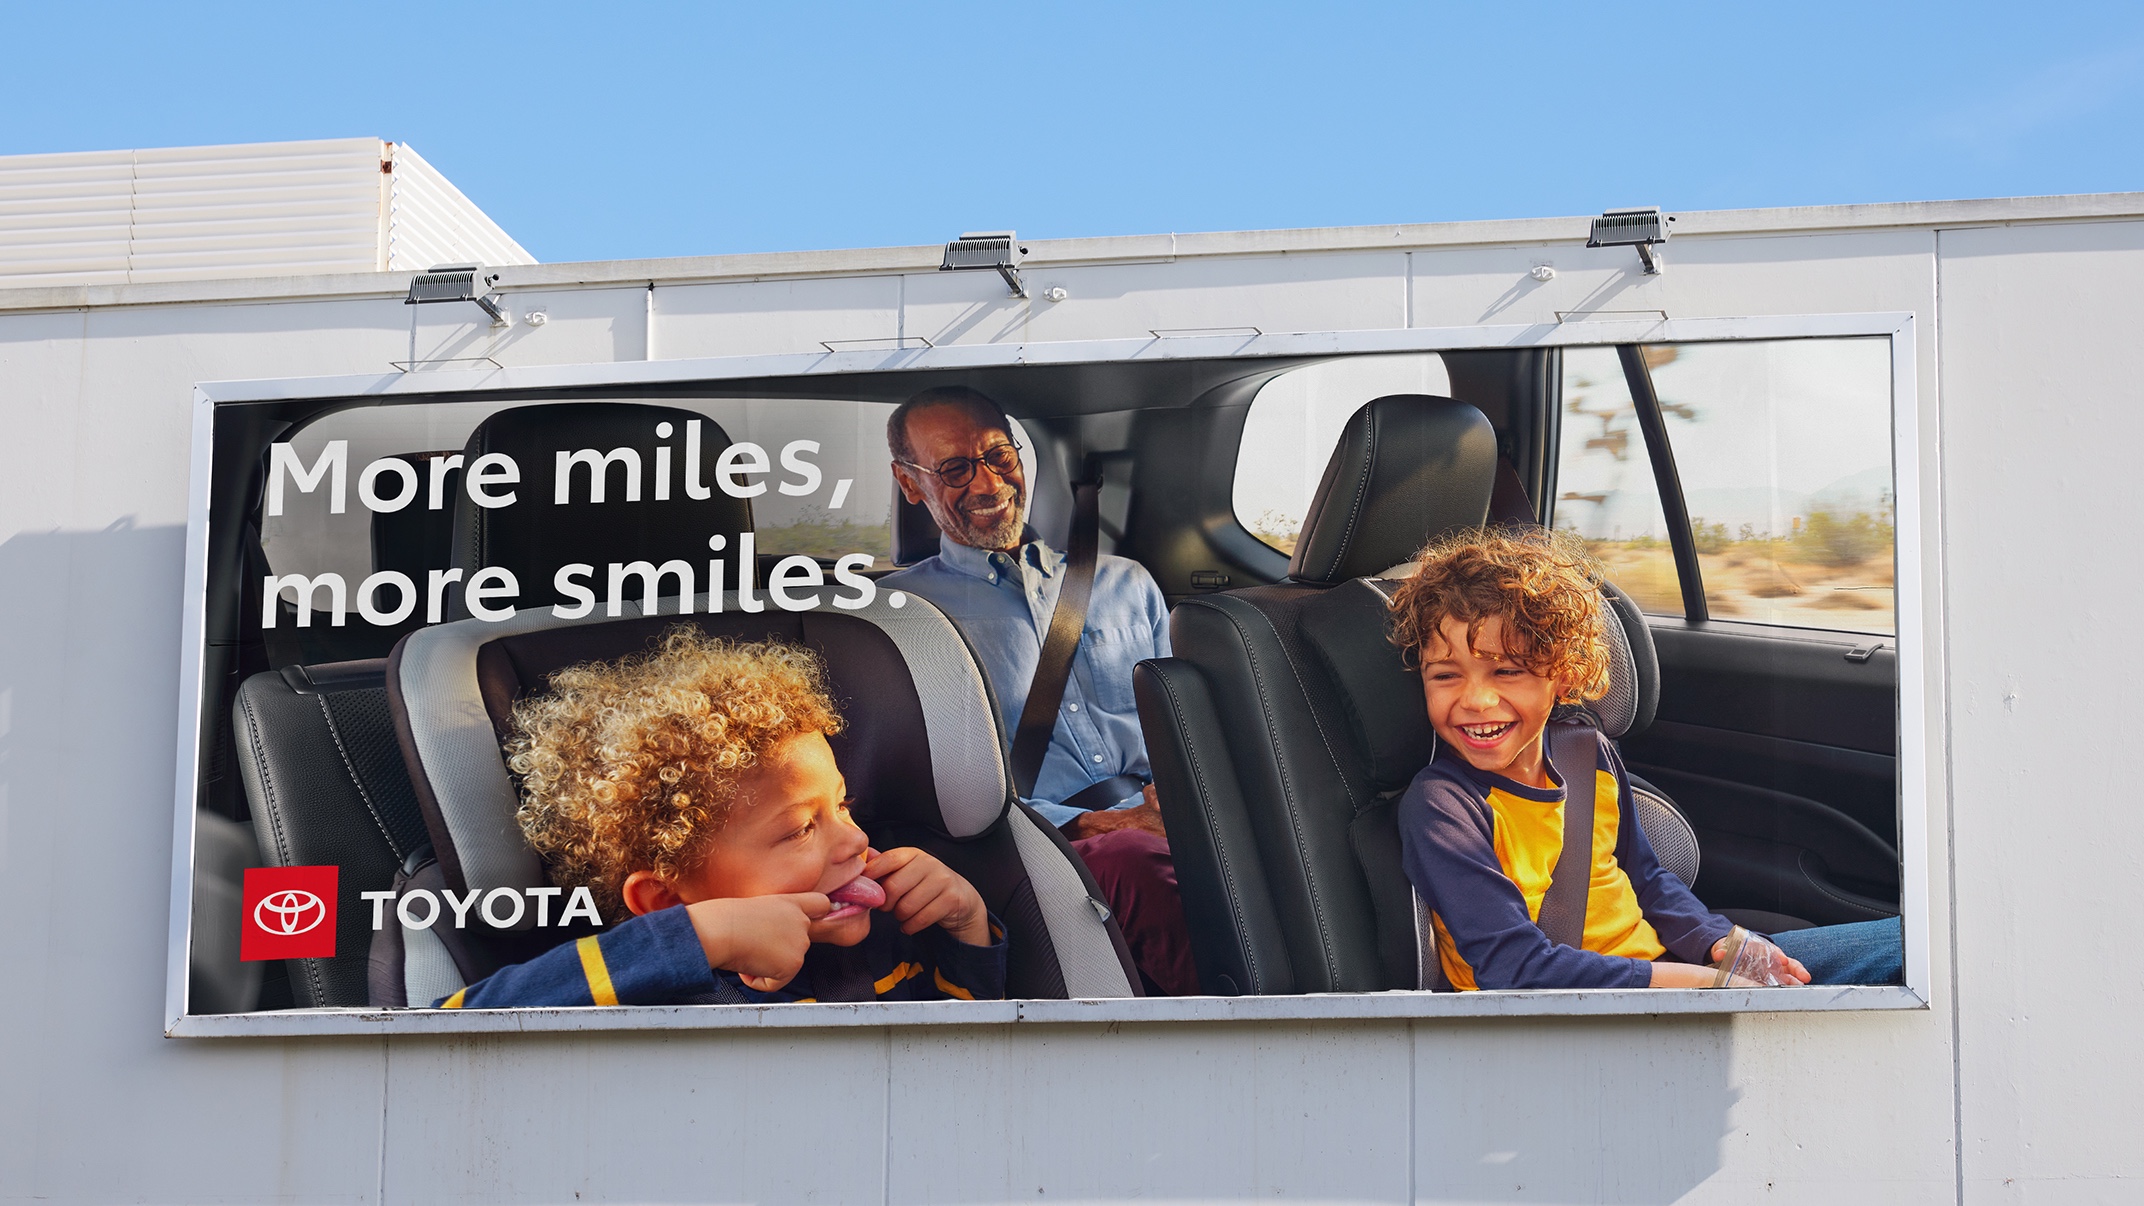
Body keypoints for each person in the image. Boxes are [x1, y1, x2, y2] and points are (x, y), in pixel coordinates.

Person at [1387, 527, 1903, 991]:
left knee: (1919, 943)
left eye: (1506, 672)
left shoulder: (1584, 753)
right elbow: (1515, 970)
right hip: (1581, 1017)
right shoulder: (1443, 807)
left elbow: (1648, 878)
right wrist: (1698, 983)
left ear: (1563, 676)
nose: (1475, 700)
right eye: (1445, 675)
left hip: (1661, 968)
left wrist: (1716, 942)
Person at [434, 629, 1005, 1008]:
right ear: (665, 902)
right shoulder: (649, 989)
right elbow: (451, 1027)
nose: (856, 840)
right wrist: (706, 938)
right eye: (801, 828)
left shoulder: (887, 950)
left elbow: (962, 1068)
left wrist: (967, 929)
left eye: (843, 806)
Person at [878, 386, 1196, 995]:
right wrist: (1089, 824)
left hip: (1169, 825)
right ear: (910, 483)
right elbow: (922, 792)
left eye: (999, 456)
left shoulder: (1127, 584)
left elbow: (1185, 735)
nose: (988, 484)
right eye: (954, 468)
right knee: (1135, 865)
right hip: (1035, 845)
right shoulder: (905, 615)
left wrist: (1182, 808)